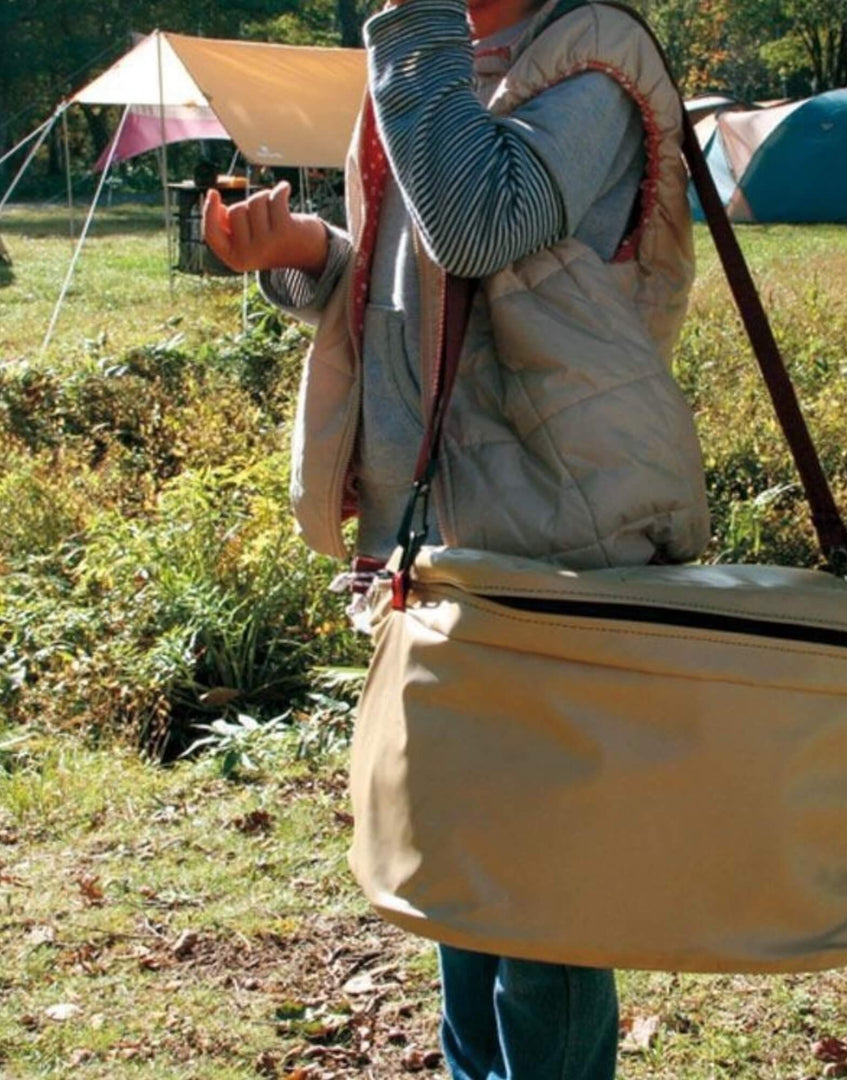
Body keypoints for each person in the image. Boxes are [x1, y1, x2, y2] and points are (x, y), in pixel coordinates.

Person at [203, 0, 708, 1075]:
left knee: (540, 895)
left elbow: (477, 224)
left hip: (553, 534)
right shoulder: (445, 58)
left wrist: (413, 31)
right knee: (462, 870)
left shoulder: (588, 70)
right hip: (439, 540)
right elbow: (422, 284)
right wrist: (308, 253)